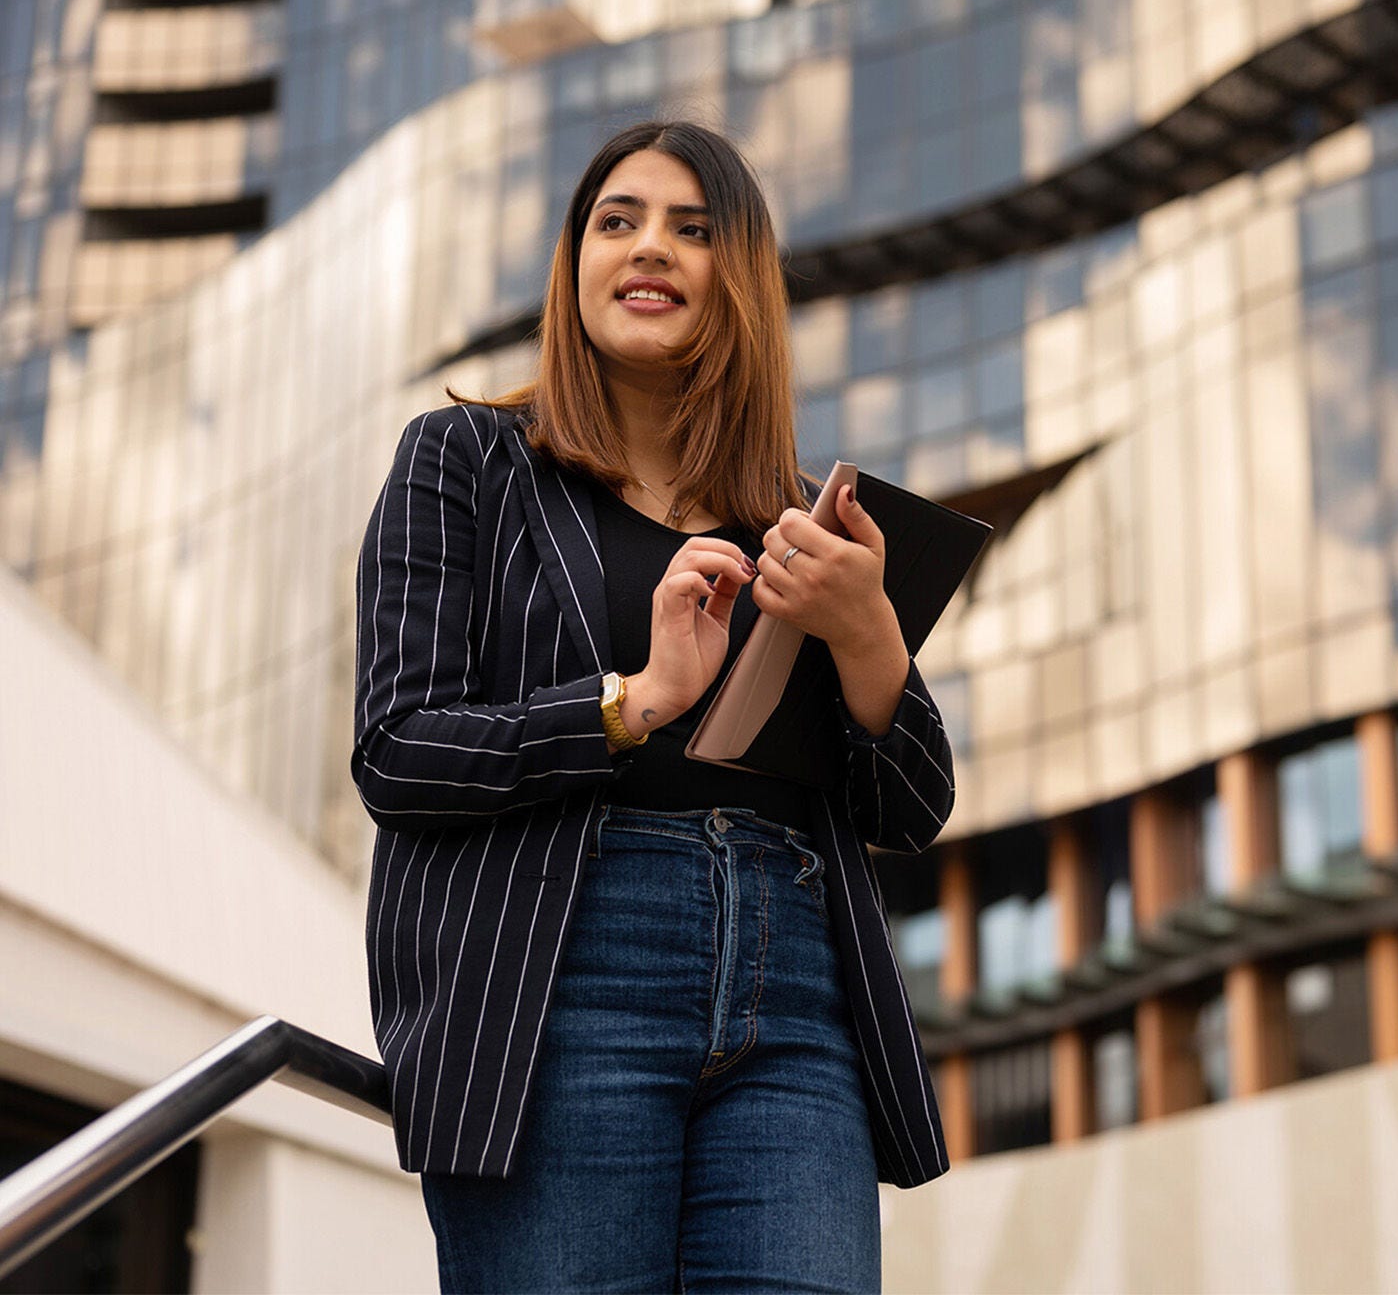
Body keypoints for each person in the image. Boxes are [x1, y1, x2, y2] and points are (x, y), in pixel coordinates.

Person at [350, 118, 954, 1293]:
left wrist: (867, 628)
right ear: (575, 262)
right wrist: (636, 701)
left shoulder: (802, 527)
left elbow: (915, 807)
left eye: (693, 227)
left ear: (741, 278)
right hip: (561, 975)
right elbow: (398, 750)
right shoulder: (466, 462)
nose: (651, 248)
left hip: (795, 992)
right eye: (617, 221)